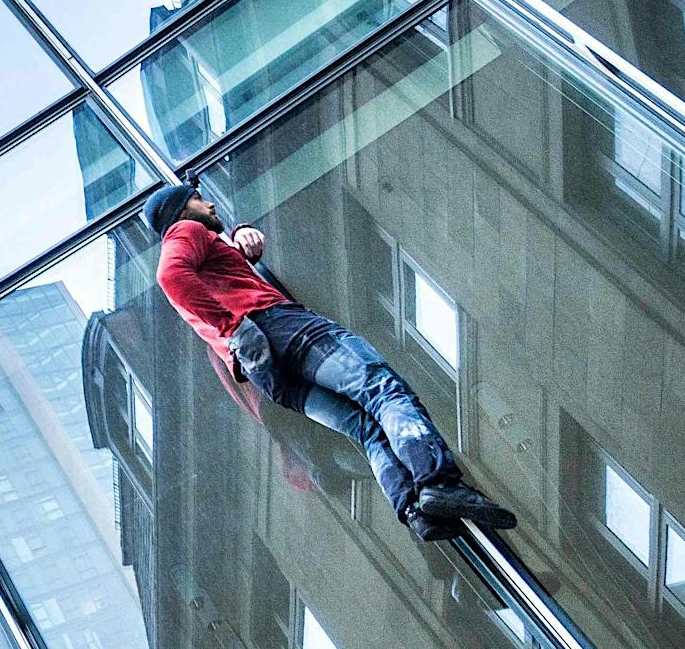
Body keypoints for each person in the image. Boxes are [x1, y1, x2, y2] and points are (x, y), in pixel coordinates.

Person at [143, 181, 516, 544]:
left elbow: (224, 270)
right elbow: (171, 275)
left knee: (366, 429)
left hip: (269, 375)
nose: (209, 204)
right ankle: (438, 482)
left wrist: (240, 237)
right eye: (198, 198)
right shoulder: (186, 230)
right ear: (180, 210)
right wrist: (235, 326)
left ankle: (414, 509)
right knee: (384, 391)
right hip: (282, 330)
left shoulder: (202, 254)